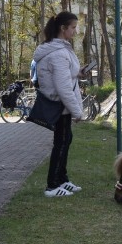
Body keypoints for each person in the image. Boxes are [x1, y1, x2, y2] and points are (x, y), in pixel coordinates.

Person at [32, 11, 84, 197]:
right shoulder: (58, 54)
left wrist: (77, 73)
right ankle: (52, 186)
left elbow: (65, 76)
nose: (75, 31)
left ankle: (62, 179)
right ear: (63, 28)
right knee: (61, 143)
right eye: (73, 27)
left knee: (65, 140)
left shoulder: (60, 49)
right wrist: (77, 111)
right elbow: (62, 88)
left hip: (62, 105)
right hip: (59, 105)